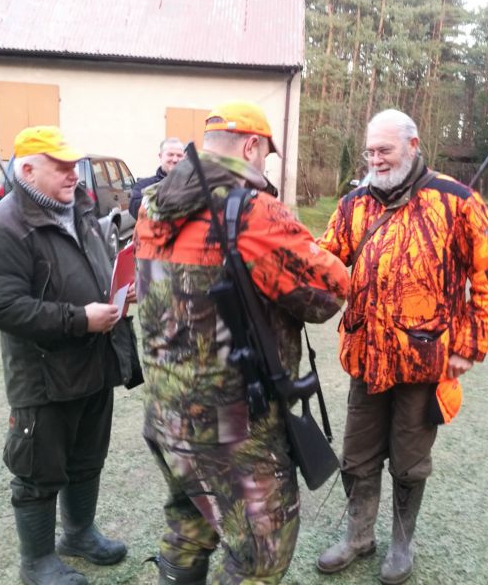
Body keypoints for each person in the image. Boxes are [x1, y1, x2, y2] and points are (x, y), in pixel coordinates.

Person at [133, 100, 350, 584]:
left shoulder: (151, 207)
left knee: (190, 523)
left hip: (166, 412)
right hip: (233, 425)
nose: (265, 165)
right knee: (260, 556)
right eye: (266, 155)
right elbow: (327, 293)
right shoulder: (253, 212)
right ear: (251, 146)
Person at [316, 109, 488, 585]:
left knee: (409, 463)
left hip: (423, 362)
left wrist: (469, 346)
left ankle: (402, 543)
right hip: (366, 357)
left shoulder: (455, 201)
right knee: (357, 456)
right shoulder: (354, 204)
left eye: (384, 150)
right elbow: (325, 260)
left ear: (413, 145)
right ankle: (358, 537)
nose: (375, 159)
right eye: (370, 151)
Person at [0, 125, 142, 585]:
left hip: (94, 365)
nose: (73, 174)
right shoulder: (0, 228)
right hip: (43, 377)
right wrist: (79, 319)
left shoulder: (78, 209)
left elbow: (93, 266)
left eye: (73, 165)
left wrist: (118, 290)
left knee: (87, 459)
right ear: (27, 170)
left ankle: (79, 535)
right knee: (38, 472)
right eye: (60, 166)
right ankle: (37, 562)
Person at [129, 137, 185, 219]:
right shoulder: (143, 185)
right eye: (170, 154)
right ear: (160, 156)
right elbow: (135, 209)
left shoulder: (192, 184)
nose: (175, 159)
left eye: (179, 155)